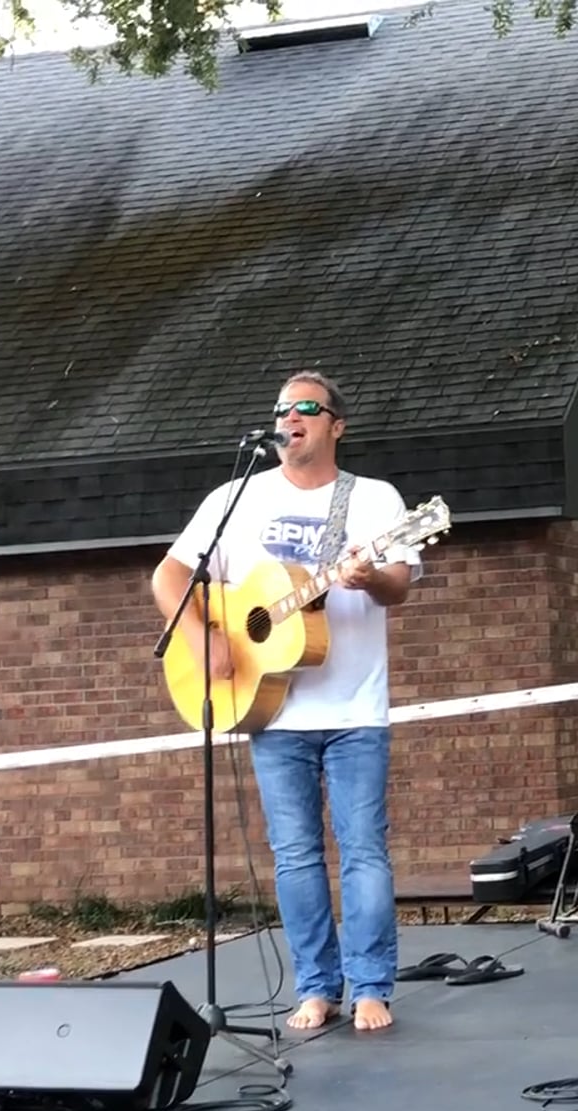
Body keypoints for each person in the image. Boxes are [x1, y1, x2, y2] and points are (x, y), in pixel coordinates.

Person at [152, 371, 421, 1033]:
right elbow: (170, 575)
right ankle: (315, 988)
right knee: (295, 855)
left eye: (306, 408)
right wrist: (203, 638)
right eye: (282, 410)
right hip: (271, 709)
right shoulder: (235, 498)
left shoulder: (373, 499)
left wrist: (368, 576)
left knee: (364, 852)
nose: (290, 418)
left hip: (355, 708)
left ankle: (371, 987)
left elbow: (399, 585)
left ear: (336, 425)